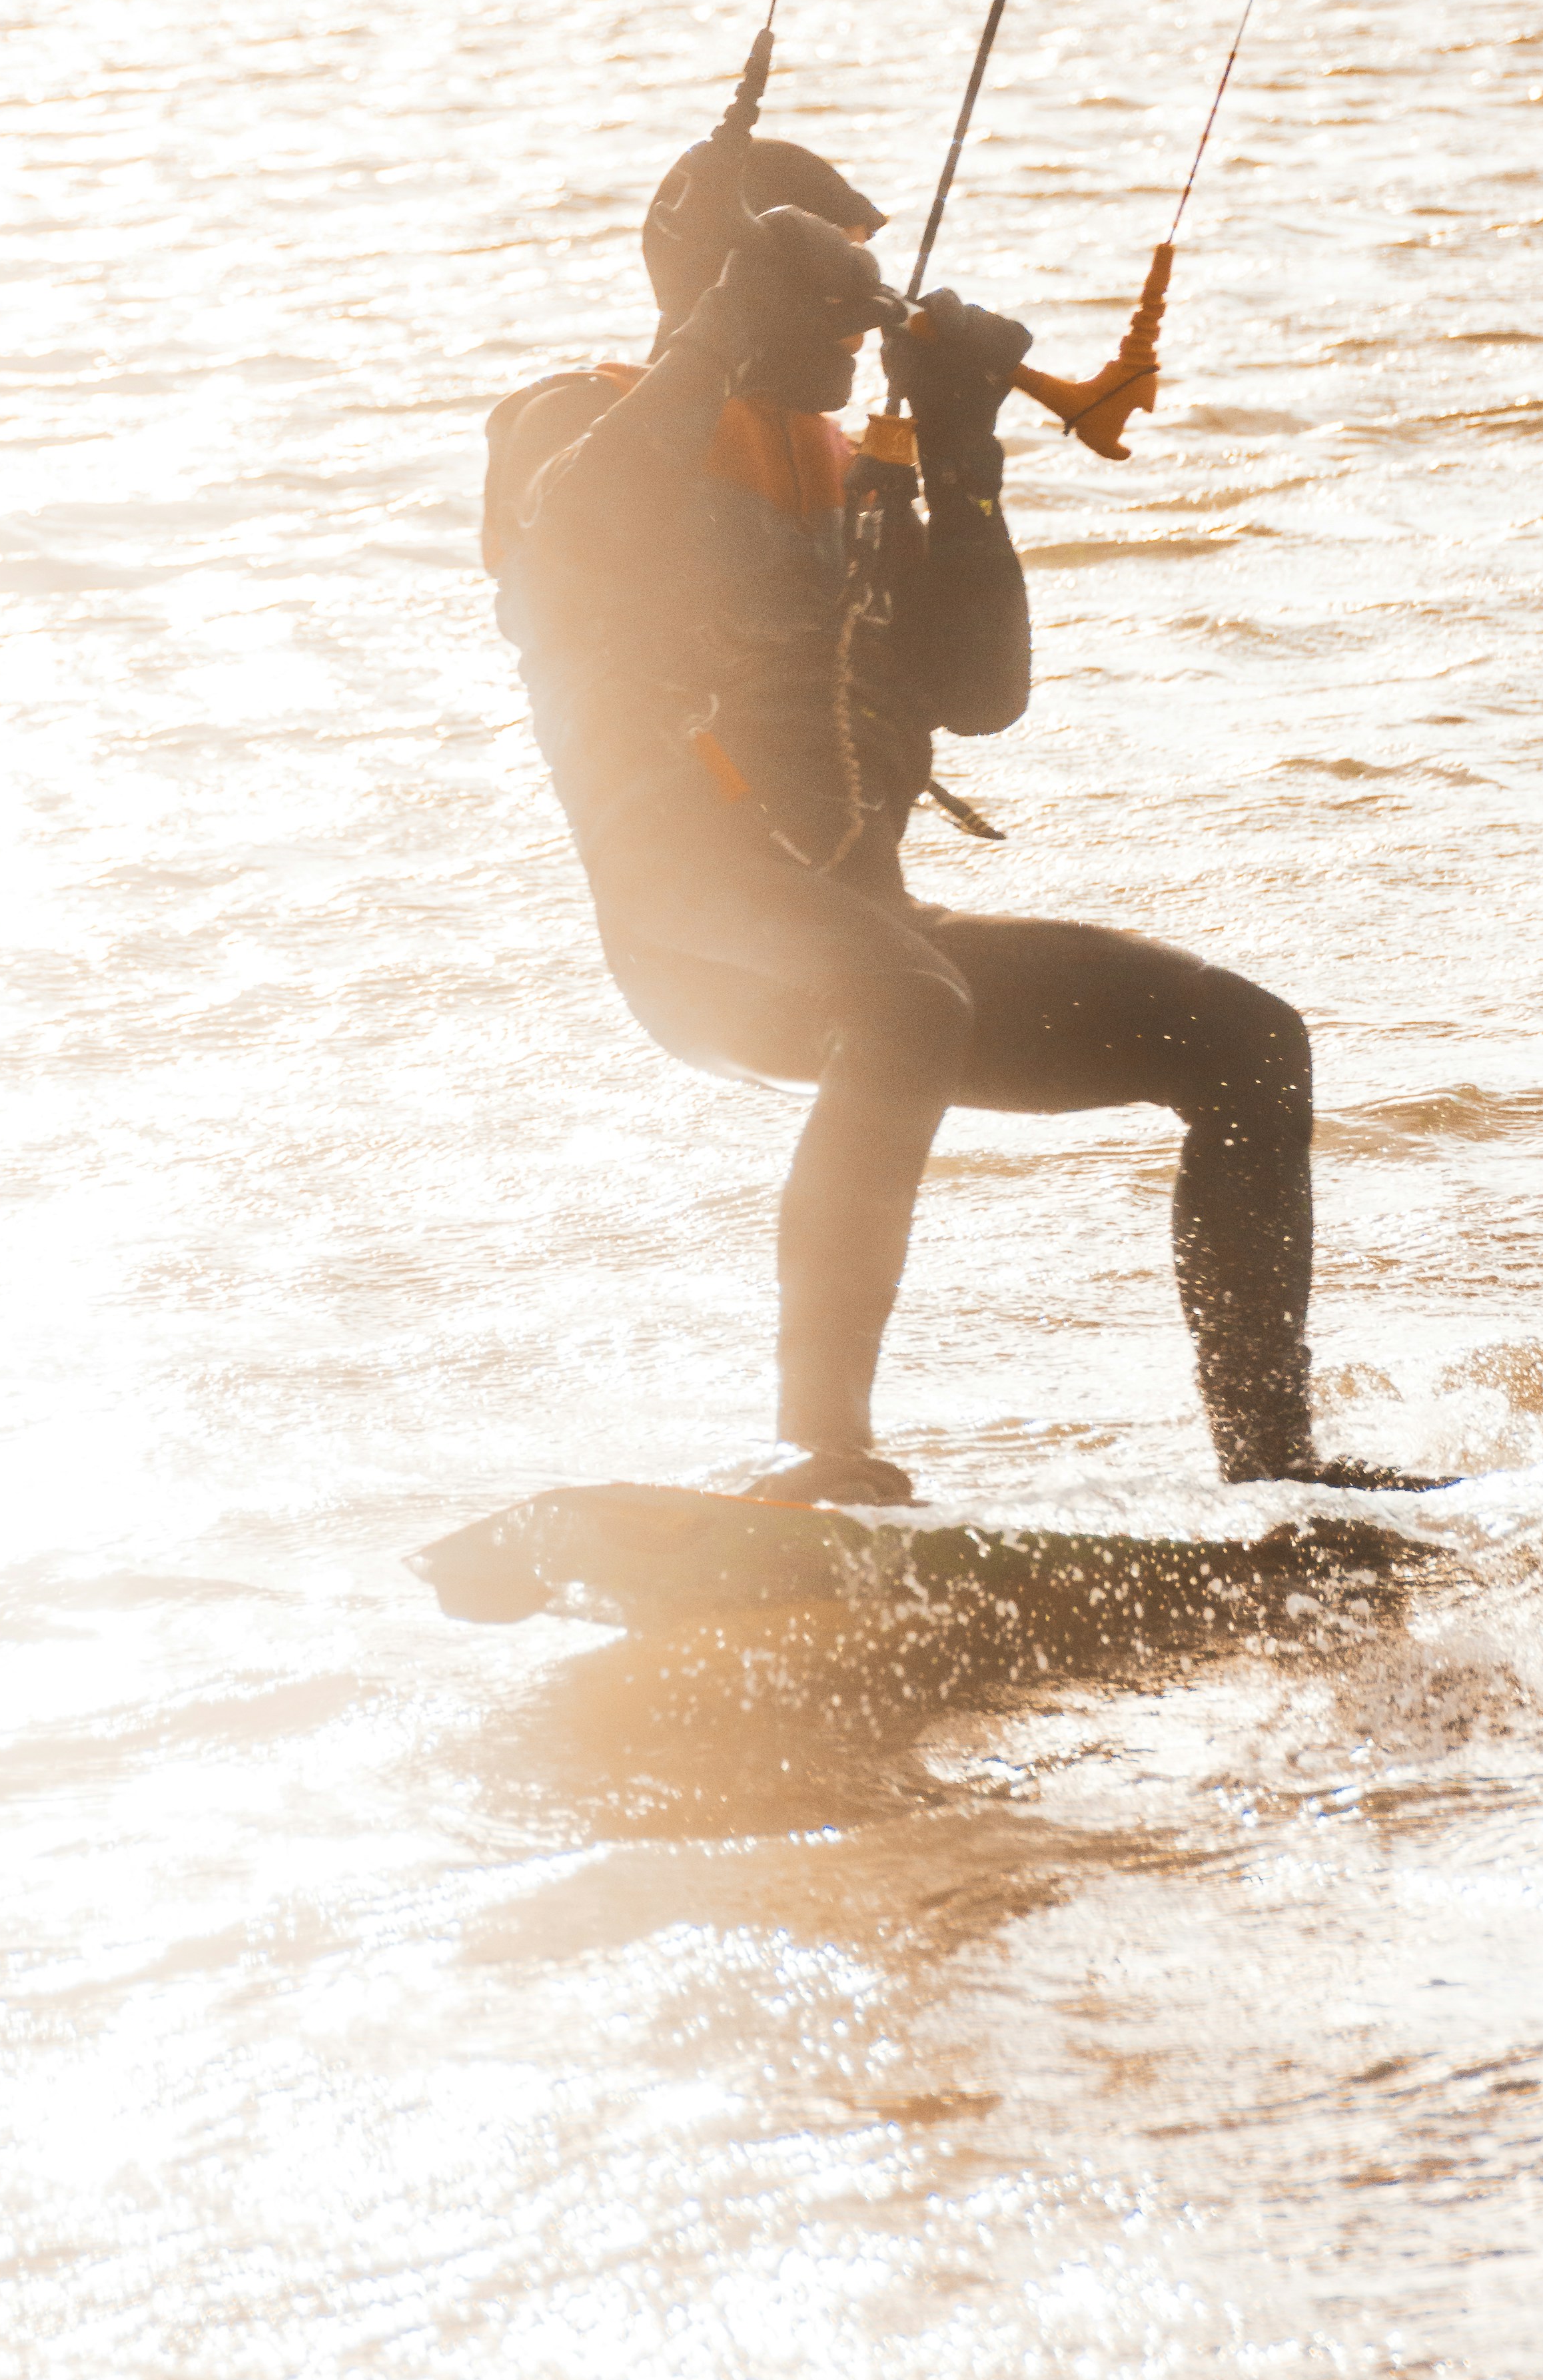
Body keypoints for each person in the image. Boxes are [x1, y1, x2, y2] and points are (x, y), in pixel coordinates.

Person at [482, 118, 1419, 1506]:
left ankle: (1274, 1474)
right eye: (829, 295)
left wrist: (968, 449)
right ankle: (820, 1451)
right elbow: (570, 541)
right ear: (724, 283)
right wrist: (721, 336)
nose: (861, 333)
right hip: (685, 909)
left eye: (871, 296)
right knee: (907, 1000)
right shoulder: (572, 424)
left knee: (1245, 1040)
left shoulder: (854, 469)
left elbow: (980, 697)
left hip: (866, 920)